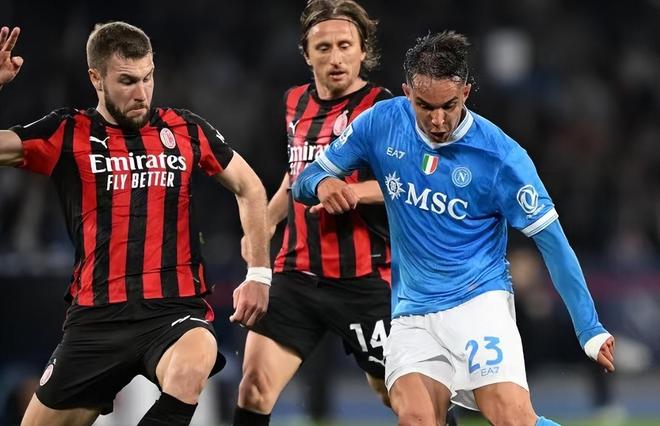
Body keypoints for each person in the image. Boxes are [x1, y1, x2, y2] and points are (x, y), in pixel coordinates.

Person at [292, 30, 616, 426]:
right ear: (407, 93)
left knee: (511, 418)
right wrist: (324, 185)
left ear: (466, 92)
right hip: (413, 312)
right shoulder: (381, 122)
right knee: (415, 419)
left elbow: (554, 244)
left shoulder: (501, 157)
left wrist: (589, 329)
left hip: (478, 303)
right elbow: (306, 179)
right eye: (425, 106)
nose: (438, 120)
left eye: (448, 105)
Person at [0, 22, 271, 426]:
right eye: (127, 81)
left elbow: (250, 187)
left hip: (173, 310)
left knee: (194, 360)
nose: (142, 93)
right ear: (96, 79)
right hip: (96, 320)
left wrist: (259, 274)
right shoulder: (67, 132)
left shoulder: (185, 129)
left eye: (148, 78)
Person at [233, 1, 399, 425]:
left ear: (364, 51)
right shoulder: (293, 102)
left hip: (364, 279)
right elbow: (295, 175)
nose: (335, 57)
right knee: (254, 387)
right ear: (307, 54)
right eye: (323, 48)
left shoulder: (383, 108)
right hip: (296, 275)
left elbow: (407, 185)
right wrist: (267, 222)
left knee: (398, 395)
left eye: (345, 45)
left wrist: (352, 191)